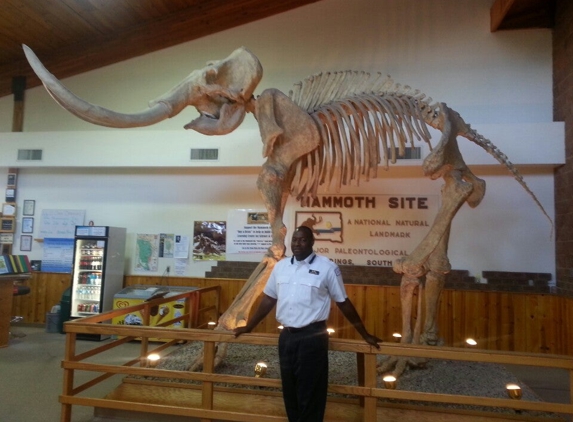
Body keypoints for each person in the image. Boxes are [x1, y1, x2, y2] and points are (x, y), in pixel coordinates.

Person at [234, 225, 381, 422]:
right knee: (290, 389)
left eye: (303, 240)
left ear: (312, 242)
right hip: (286, 337)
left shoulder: (327, 268)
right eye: (295, 240)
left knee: (311, 391)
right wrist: (249, 326)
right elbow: (269, 298)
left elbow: (343, 302)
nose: (297, 244)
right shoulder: (281, 267)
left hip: (312, 337)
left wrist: (364, 334)